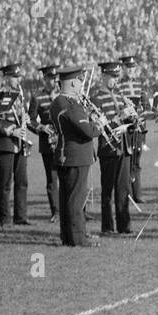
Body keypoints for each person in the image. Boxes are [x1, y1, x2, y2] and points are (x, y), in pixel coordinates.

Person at [50, 65, 102, 246]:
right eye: (80, 81)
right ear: (72, 82)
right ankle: (78, 238)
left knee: (67, 199)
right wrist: (100, 124)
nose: (81, 85)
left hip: (66, 155)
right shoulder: (70, 104)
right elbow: (87, 131)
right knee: (76, 200)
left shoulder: (58, 102)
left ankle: (68, 236)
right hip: (76, 156)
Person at [91, 61, 135, 235]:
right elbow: (98, 127)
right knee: (108, 189)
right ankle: (108, 227)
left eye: (117, 76)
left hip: (123, 147)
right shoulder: (96, 98)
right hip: (108, 148)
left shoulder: (120, 95)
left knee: (123, 189)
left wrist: (132, 116)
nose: (115, 80)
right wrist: (120, 117)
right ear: (103, 76)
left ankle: (124, 226)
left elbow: (128, 122)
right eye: (112, 76)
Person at [0, 61, 33, 228]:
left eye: (18, 76)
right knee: (6, 183)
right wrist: (10, 130)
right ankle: (5, 218)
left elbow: (23, 114)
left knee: (22, 182)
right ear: (6, 77)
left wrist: (26, 119)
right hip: (6, 143)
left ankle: (20, 216)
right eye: (14, 77)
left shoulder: (20, 95)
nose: (17, 80)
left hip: (21, 144)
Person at [28, 63, 60, 219]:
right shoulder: (37, 96)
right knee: (52, 179)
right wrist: (41, 127)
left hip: (64, 142)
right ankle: (56, 211)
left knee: (68, 177)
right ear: (45, 79)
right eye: (50, 78)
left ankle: (73, 209)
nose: (53, 81)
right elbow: (30, 120)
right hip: (48, 143)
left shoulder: (63, 94)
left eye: (55, 78)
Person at [118, 53, 148, 204]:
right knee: (126, 162)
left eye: (132, 67)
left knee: (137, 161)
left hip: (138, 128)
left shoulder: (140, 84)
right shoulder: (118, 85)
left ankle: (137, 193)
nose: (130, 70)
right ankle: (126, 192)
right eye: (127, 67)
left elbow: (147, 106)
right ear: (122, 68)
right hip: (125, 128)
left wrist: (142, 112)